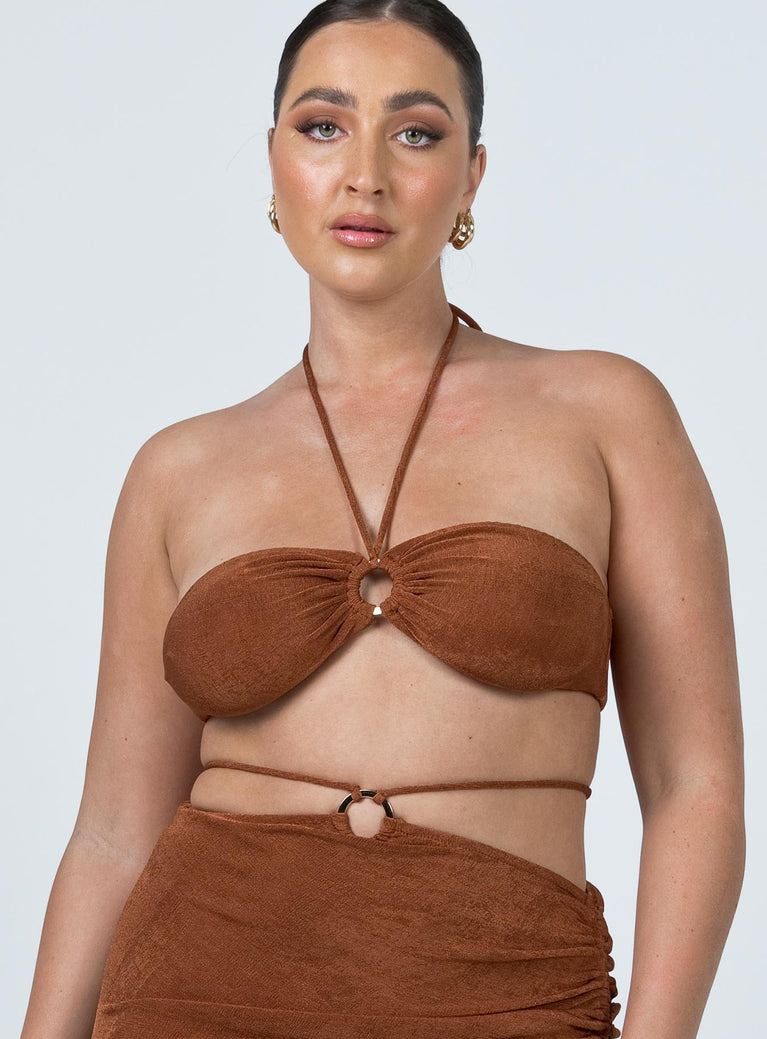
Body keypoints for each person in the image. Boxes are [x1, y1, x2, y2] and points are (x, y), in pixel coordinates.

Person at [21, 2, 745, 1037]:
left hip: (509, 997)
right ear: (274, 160)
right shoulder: (177, 472)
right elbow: (109, 834)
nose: (363, 173)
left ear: (471, 176)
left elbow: (694, 788)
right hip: (192, 995)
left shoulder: (605, 415)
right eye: (322, 126)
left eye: (414, 132)